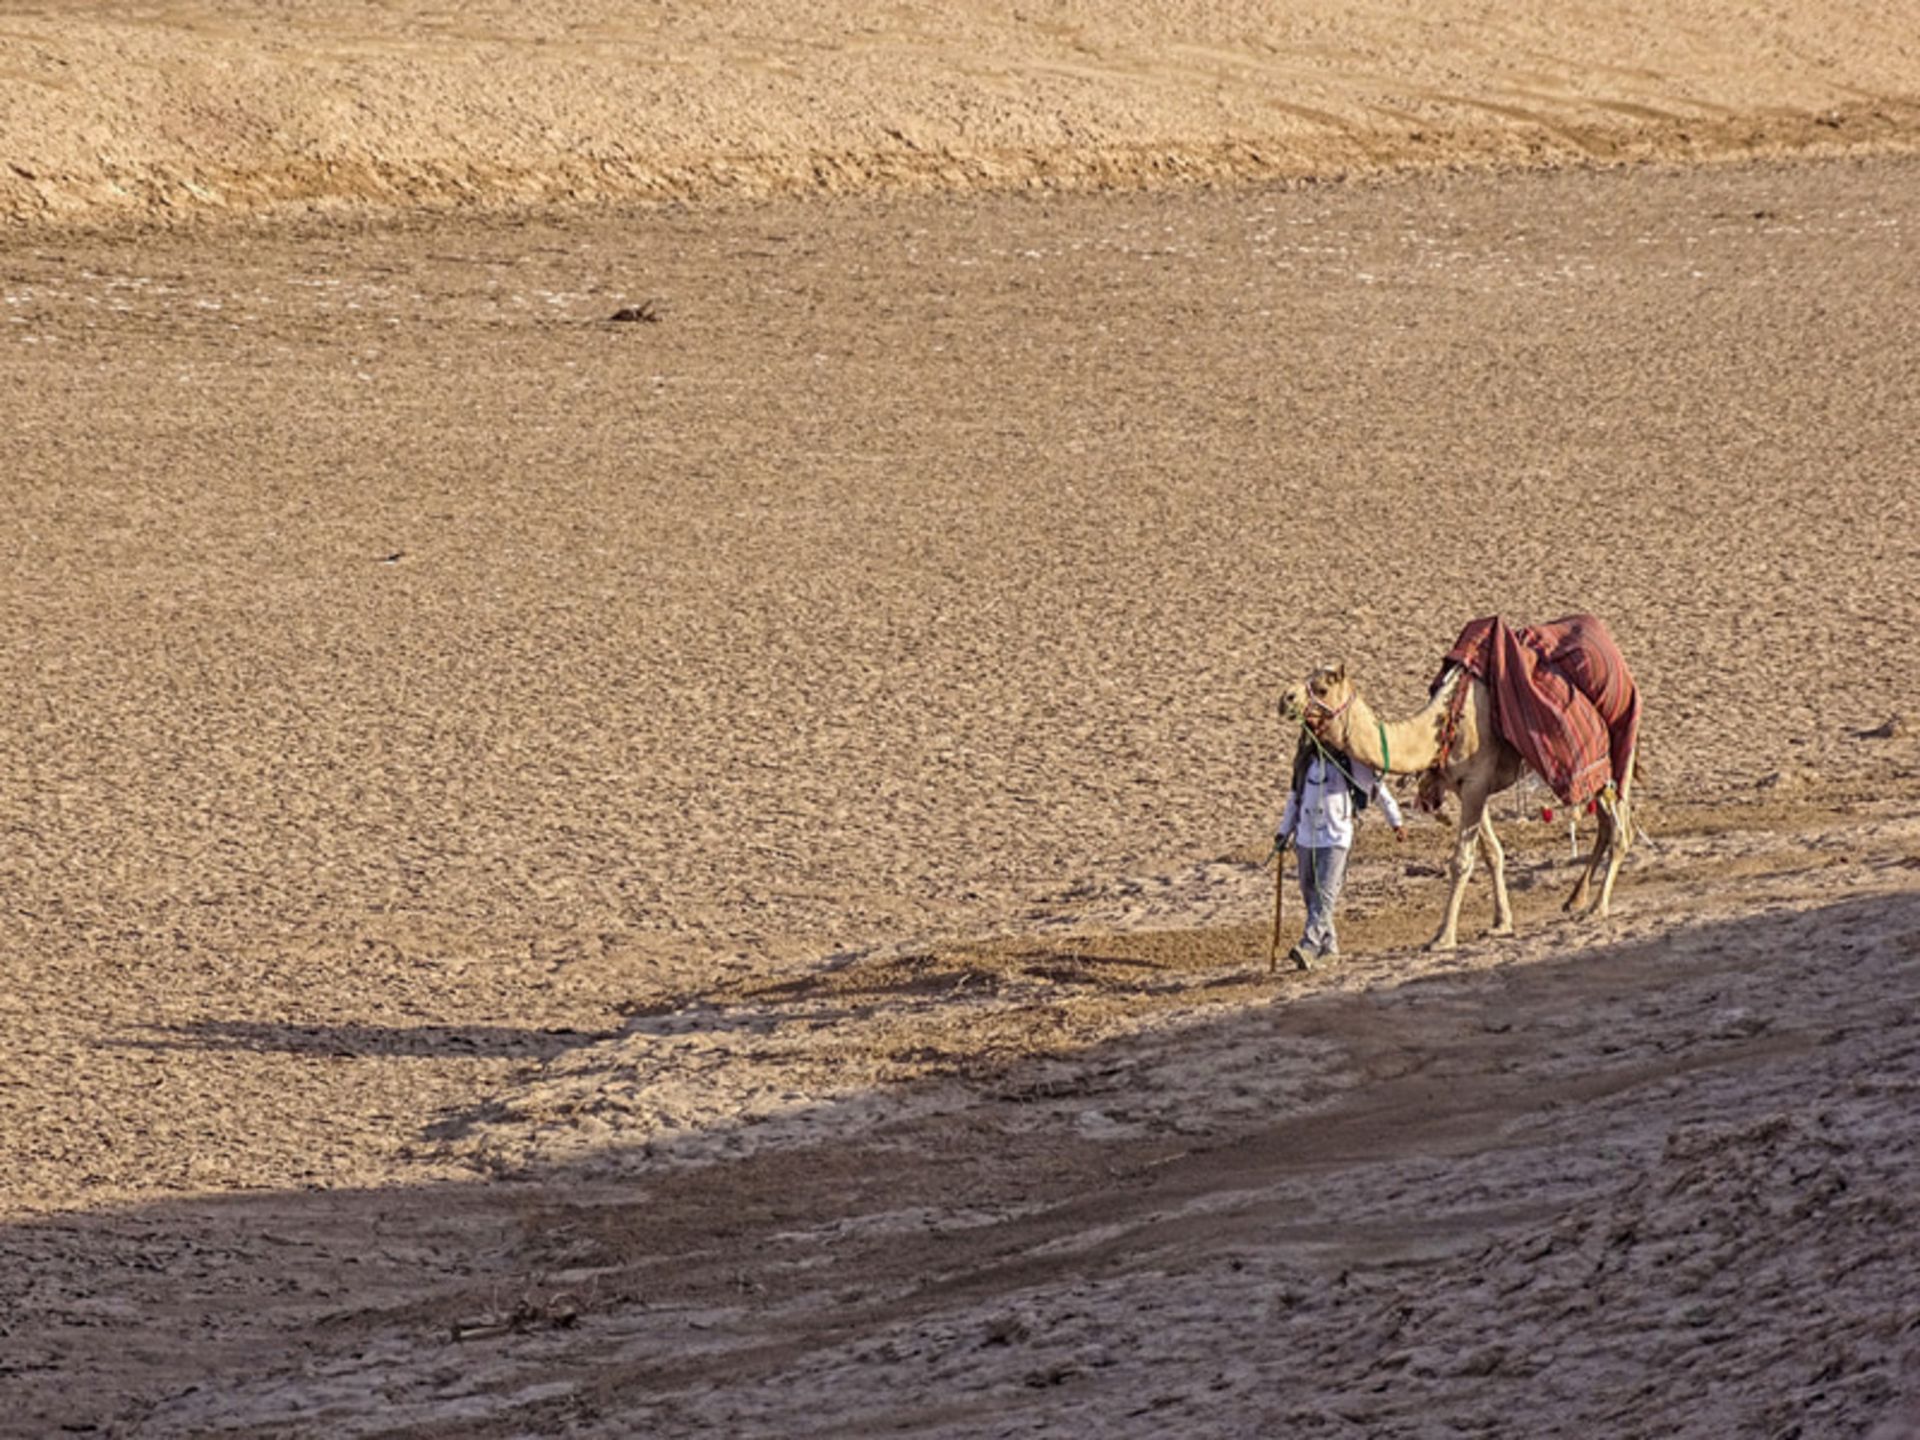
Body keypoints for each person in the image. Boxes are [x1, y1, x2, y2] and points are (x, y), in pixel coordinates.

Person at [1276, 733, 1405, 970]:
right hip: (1305, 836)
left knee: (1325, 895)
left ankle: (1309, 944)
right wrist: (1284, 832)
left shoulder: (1351, 762)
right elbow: (1295, 798)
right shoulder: (1305, 761)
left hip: (1335, 837)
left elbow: (1377, 789)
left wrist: (1395, 821)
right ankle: (1329, 948)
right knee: (1310, 893)